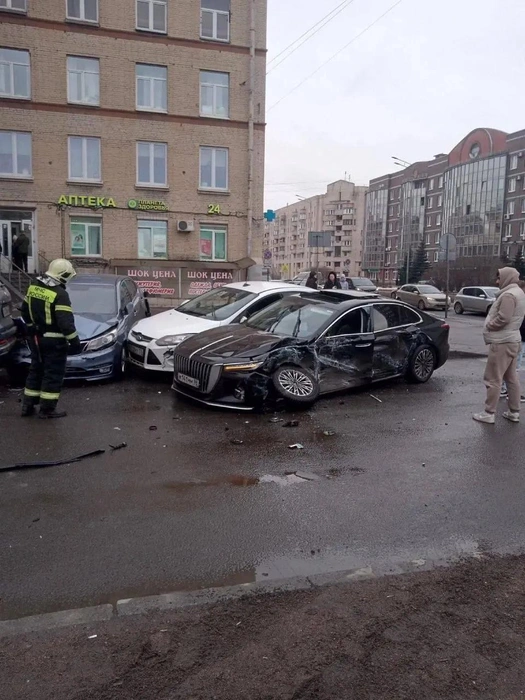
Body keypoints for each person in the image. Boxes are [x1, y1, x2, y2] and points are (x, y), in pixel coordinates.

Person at [21, 259, 81, 419]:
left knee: (36, 369)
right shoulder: (60, 294)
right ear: (63, 275)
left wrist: (30, 325)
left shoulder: (33, 287)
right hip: (54, 342)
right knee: (52, 373)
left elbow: (24, 312)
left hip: (35, 339)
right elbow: (65, 322)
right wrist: (75, 341)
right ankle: (47, 409)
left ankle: (28, 405)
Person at [473, 267, 525, 424]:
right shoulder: (519, 293)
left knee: (493, 378)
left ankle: (489, 412)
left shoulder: (509, 295)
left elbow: (503, 318)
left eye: (499, 278)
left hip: (502, 342)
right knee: (511, 377)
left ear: (507, 278)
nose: (497, 281)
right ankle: (514, 411)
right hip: (512, 340)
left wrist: (490, 326)